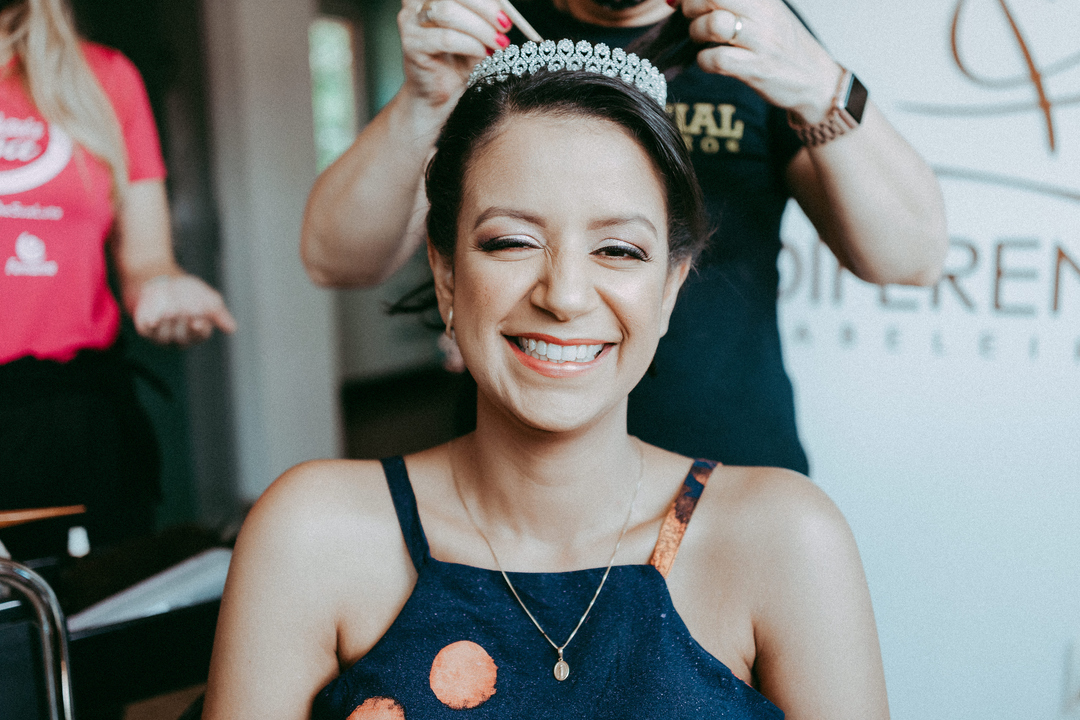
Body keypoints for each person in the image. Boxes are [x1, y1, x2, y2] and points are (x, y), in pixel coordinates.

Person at [206, 52, 888, 718]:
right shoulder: (312, 533)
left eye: (618, 250)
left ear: (670, 289)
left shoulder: (786, 539)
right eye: (511, 242)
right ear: (446, 273)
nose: (564, 296)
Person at [301, 0, 947, 475]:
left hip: (729, 457)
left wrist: (821, 83)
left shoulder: (756, 32)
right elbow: (334, 258)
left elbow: (911, 257)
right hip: (519, 477)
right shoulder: (487, 28)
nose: (567, 295)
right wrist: (424, 101)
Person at [0, 0, 236, 559]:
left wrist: (162, 286)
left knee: (101, 604)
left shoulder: (105, 78)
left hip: (78, 416)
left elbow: (147, 260)